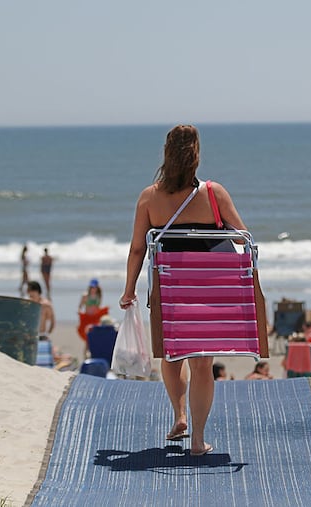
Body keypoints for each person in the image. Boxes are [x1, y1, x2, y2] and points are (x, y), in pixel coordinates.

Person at [119, 124, 248, 457]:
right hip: (210, 290)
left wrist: (129, 289)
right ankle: (197, 440)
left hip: (169, 291)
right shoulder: (214, 193)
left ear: (166, 154)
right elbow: (242, 237)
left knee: (172, 355)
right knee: (202, 365)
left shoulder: (149, 197)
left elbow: (136, 249)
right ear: (197, 156)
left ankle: (179, 415)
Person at [77, 278, 109, 343]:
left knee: (95, 333)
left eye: (94, 287)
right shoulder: (85, 296)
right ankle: (86, 349)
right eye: (91, 287)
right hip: (87, 317)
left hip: (95, 318)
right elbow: (80, 306)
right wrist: (79, 312)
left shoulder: (99, 296)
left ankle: (92, 348)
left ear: (97, 287)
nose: (93, 289)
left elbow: (98, 306)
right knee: (87, 333)